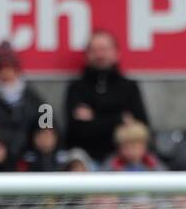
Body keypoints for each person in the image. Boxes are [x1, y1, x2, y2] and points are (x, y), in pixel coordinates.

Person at [63, 30, 149, 164]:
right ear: (87, 55)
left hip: (123, 162)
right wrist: (119, 119)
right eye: (94, 50)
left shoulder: (129, 87)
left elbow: (141, 128)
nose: (99, 55)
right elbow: (77, 131)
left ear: (116, 53)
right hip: (86, 161)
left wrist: (94, 119)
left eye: (104, 49)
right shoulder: (77, 88)